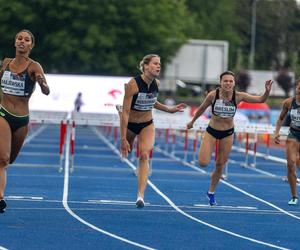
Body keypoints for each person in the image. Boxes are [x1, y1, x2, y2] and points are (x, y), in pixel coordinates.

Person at [187, 71, 272, 206]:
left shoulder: (238, 96)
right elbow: (201, 109)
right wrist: (192, 122)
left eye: (230, 81)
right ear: (220, 82)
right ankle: (210, 180)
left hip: (227, 133)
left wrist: (267, 91)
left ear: (234, 83)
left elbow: (261, 99)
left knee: (220, 164)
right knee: (203, 162)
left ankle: (211, 192)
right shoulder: (212, 95)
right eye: (225, 81)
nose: (228, 83)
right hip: (212, 131)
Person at [119, 54, 186, 208]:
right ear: (146, 66)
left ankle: (140, 196)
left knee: (144, 155)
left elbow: (152, 101)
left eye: (159, 64)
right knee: (126, 151)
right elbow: (126, 112)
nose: (158, 67)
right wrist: (123, 138)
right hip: (130, 123)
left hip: (147, 123)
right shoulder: (132, 84)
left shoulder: (156, 83)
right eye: (155, 64)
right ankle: (125, 139)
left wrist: (169, 109)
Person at [0, 30, 50, 213]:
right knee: (2, 158)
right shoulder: (6, 63)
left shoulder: (34, 66)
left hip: (21, 119)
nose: (22, 42)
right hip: (3, 114)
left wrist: (42, 83)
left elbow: (46, 91)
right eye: (19, 38)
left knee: (10, 159)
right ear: (15, 42)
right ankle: (0, 199)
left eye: (26, 40)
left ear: (31, 45)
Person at [274, 78, 300, 205]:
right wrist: (276, 132)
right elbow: (280, 119)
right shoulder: (289, 102)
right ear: (296, 87)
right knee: (290, 164)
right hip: (293, 134)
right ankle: (294, 196)